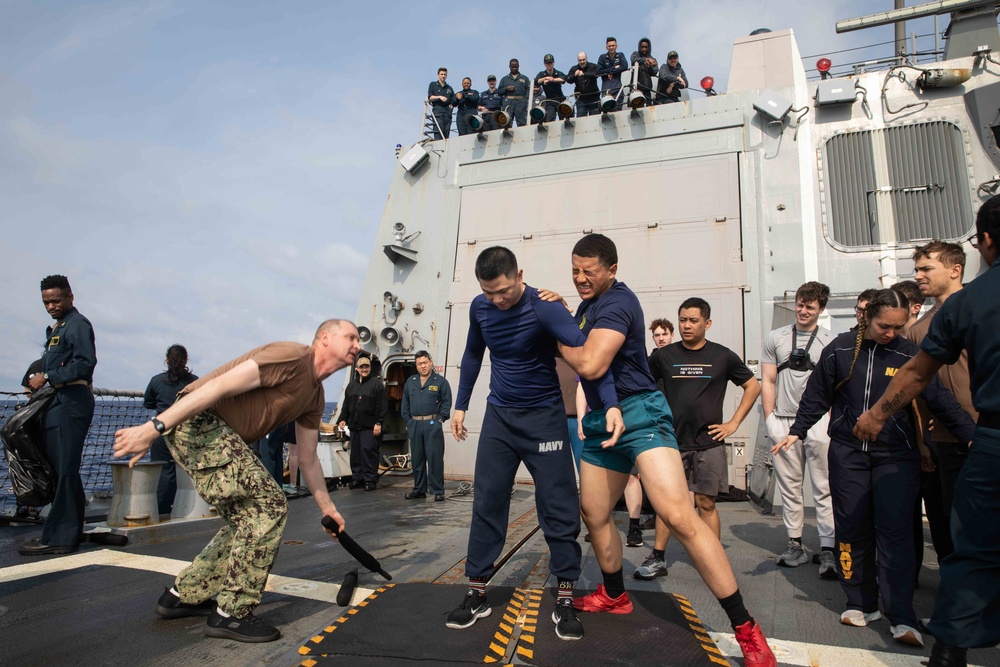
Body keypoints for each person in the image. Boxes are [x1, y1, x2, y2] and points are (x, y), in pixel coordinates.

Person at [550, 233, 777, 667]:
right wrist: (563, 312)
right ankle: (615, 595)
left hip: (640, 414)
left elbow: (592, 364)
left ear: (612, 270)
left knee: (679, 516)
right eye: (574, 270)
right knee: (595, 514)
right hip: (602, 419)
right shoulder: (584, 307)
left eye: (588, 272)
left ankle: (746, 629)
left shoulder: (618, 302)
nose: (579, 278)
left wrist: (553, 326)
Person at [112, 320, 360, 643]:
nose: (358, 345)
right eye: (351, 337)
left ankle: (183, 594)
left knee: (247, 520)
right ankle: (231, 613)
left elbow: (309, 459)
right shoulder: (292, 357)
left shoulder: (315, 396)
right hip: (199, 421)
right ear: (325, 338)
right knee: (269, 506)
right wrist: (152, 428)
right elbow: (216, 387)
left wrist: (329, 510)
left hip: (217, 432)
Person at [774, 289, 975, 649]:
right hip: (848, 455)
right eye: (885, 325)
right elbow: (817, 396)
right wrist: (796, 431)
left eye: (898, 327)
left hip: (896, 457)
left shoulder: (911, 354)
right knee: (851, 527)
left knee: (896, 534)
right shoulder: (839, 349)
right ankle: (860, 602)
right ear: (867, 317)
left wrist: (972, 437)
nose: (891, 333)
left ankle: (901, 614)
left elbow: (940, 400)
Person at [853, 198, 1000, 667]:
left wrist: (875, 415)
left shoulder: (972, 302)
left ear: (986, 242)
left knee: (969, 547)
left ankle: (950, 650)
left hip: (988, 439)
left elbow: (917, 376)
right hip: (962, 438)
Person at [447, 246, 619, 641]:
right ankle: (476, 590)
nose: (497, 300)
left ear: (519, 275)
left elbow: (588, 357)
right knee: (487, 499)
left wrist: (609, 403)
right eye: (489, 293)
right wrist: (460, 405)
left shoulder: (545, 308)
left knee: (557, 504)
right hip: (499, 419)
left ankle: (563, 594)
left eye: (504, 291)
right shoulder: (480, 307)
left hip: (543, 419)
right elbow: (473, 354)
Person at [642, 298, 761, 579]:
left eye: (693, 320)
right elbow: (641, 385)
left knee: (706, 503)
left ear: (707, 323)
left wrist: (733, 423)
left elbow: (753, 386)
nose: (686, 325)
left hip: (709, 443)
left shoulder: (722, 356)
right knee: (668, 504)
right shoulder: (663, 356)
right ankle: (657, 557)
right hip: (671, 442)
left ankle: (712, 556)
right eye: (682, 319)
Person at [906, 241, 976, 564]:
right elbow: (918, 392)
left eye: (926, 268)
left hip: (987, 431)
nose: (918, 275)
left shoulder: (981, 309)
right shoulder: (918, 330)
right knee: (952, 523)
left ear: (955, 269)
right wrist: (924, 440)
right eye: (917, 269)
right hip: (947, 441)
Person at [760, 282, 836, 576]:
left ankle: (828, 548)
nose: (804, 311)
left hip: (818, 424)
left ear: (821, 309)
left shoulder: (830, 341)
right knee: (789, 488)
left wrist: (830, 422)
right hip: (782, 421)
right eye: (800, 305)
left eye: (810, 307)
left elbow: (834, 387)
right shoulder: (776, 338)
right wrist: (770, 419)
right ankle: (795, 544)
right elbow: (767, 380)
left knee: (824, 488)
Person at [19, 275, 96, 557]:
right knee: (65, 469)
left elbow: (85, 364)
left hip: (70, 402)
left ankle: (58, 538)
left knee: (64, 471)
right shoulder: (59, 328)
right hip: (58, 402)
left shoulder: (77, 325)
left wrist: (48, 376)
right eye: (46, 302)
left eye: (55, 300)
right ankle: (70, 531)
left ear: (70, 297)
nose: (50, 305)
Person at [624, 317, 675, 547]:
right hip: (650, 424)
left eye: (664, 334)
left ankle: (673, 519)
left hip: (675, 425)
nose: (661, 338)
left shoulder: (679, 359)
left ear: (672, 335)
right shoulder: (647, 362)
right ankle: (635, 524)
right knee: (635, 474)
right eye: (657, 335)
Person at [144, 344, 198, 516]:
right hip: (187, 430)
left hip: (162, 428)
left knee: (164, 472)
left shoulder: (156, 381)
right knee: (189, 470)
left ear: (167, 360)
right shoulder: (195, 381)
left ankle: (162, 510)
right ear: (186, 360)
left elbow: (148, 403)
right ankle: (188, 508)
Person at [401, 350, 452, 501]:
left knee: (435, 458)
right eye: (419, 364)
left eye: (425, 362)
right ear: (416, 366)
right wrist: (409, 421)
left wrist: (440, 420)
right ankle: (419, 489)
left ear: (430, 362)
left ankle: (437, 490)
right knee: (417, 459)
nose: (422, 366)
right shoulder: (411, 381)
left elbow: (446, 402)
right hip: (415, 424)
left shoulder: (440, 382)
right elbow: (405, 403)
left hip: (432, 424)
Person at [337, 354, 387, 491]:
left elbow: (382, 406)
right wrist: (342, 419)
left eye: (367, 367)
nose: (364, 369)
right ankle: (357, 479)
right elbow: (346, 405)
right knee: (356, 454)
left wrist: (378, 423)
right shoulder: (351, 386)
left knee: (369, 452)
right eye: (362, 367)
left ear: (370, 368)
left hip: (370, 427)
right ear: (357, 369)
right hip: (355, 426)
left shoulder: (377, 385)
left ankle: (370, 480)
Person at [597, 37, 628, 111]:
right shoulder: (602, 57)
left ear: (616, 46)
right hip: (606, 88)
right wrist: (614, 69)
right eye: (609, 46)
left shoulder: (620, 55)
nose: (611, 48)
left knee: (618, 110)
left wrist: (609, 71)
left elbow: (625, 66)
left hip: (617, 87)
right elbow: (599, 71)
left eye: (613, 46)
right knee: (607, 111)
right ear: (606, 47)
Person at [567, 52, 600, 117]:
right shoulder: (574, 68)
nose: (582, 62)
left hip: (593, 98)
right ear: (577, 60)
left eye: (583, 59)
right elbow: (568, 80)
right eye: (580, 60)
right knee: (580, 120)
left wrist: (584, 74)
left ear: (587, 58)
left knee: (595, 118)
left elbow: (596, 74)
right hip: (581, 99)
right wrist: (575, 75)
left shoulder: (593, 66)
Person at [534, 54, 567, 122]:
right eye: (547, 63)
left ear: (553, 63)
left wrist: (553, 80)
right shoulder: (542, 74)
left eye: (550, 63)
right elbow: (536, 81)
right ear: (544, 64)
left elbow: (564, 79)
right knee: (549, 119)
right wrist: (545, 78)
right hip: (549, 100)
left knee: (564, 119)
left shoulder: (557, 73)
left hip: (560, 99)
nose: (549, 65)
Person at [499, 59, 531, 127]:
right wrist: (506, 89)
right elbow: (499, 91)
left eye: (515, 66)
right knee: (506, 123)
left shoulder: (524, 78)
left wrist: (525, 100)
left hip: (520, 103)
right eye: (512, 66)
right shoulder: (504, 79)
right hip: (508, 103)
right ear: (509, 66)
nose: (514, 68)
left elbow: (528, 90)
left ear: (518, 66)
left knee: (522, 123)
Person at [427, 67, 454, 140]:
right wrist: (439, 97)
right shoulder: (433, 85)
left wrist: (451, 109)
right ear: (438, 75)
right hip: (437, 109)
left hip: (447, 111)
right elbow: (430, 97)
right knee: (438, 131)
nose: (443, 76)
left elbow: (453, 100)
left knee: (446, 133)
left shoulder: (449, 88)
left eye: (445, 74)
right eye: (441, 74)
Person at [629, 38, 658, 105]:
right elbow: (633, 60)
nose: (644, 49)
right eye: (642, 47)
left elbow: (655, 72)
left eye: (646, 47)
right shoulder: (635, 54)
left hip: (647, 89)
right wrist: (646, 60)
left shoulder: (653, 59)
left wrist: (649, 67)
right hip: (635, 89)